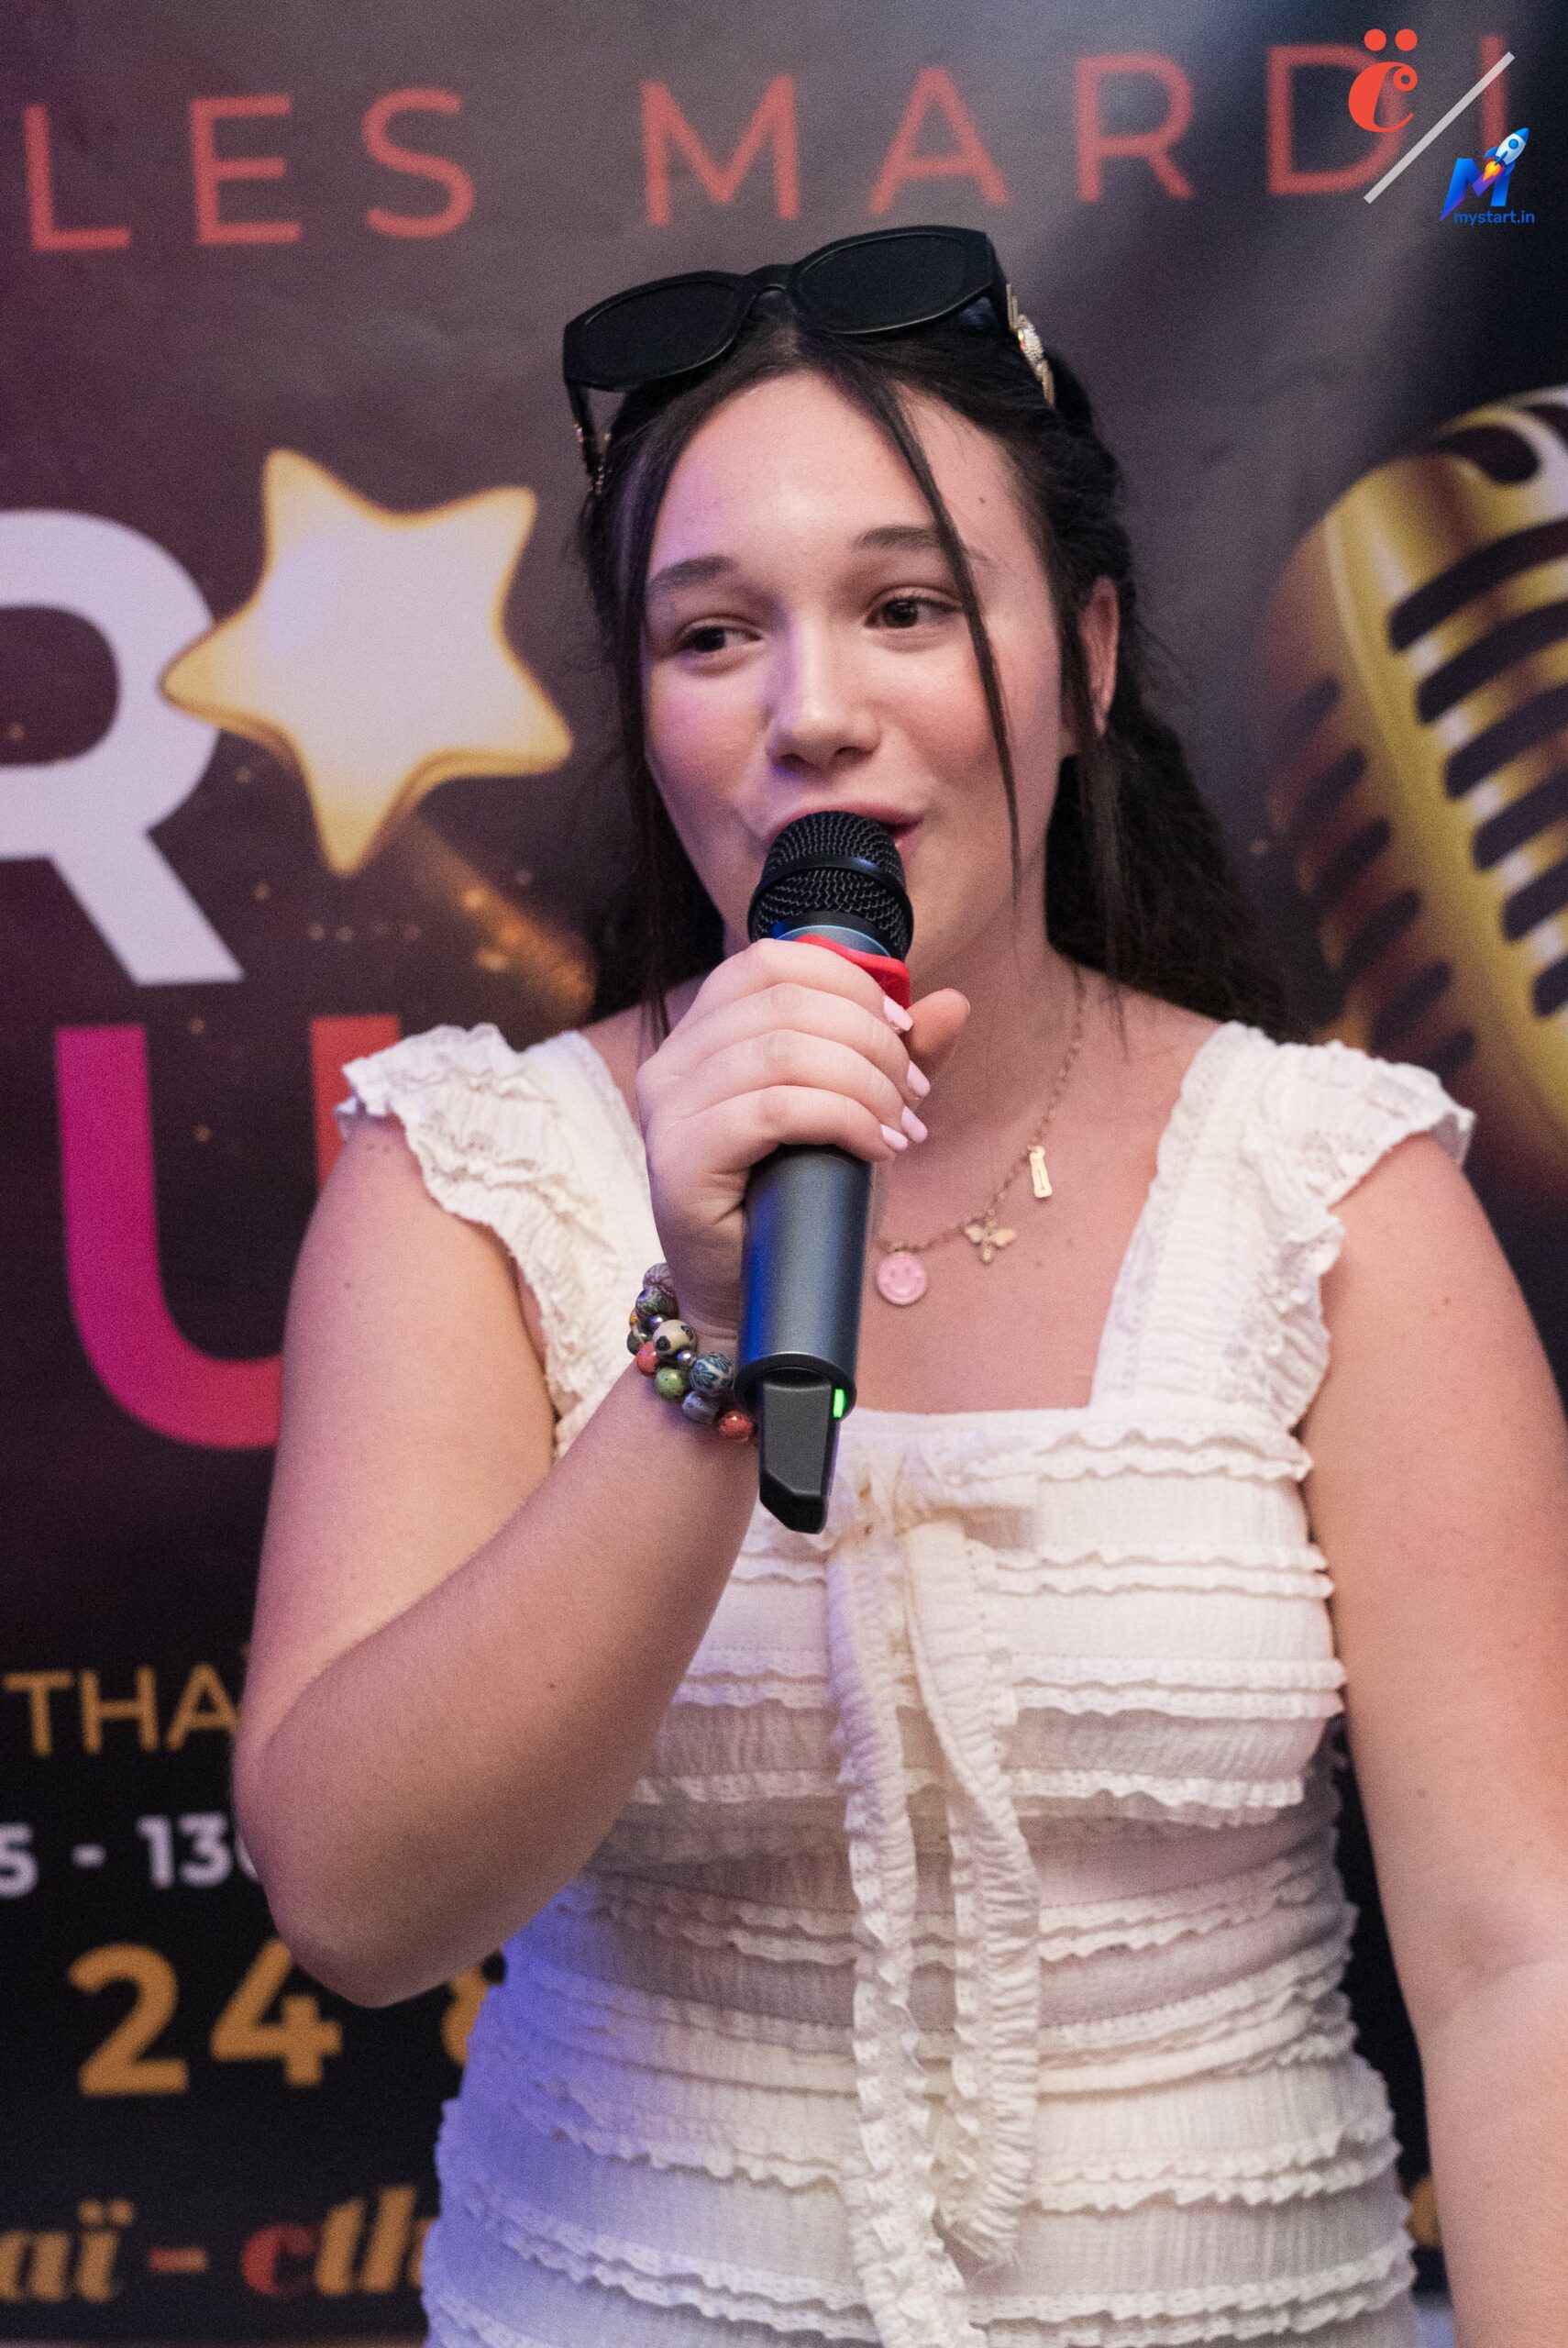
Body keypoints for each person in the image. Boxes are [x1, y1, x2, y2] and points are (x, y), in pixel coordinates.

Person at [234, 227, 1568, 2348]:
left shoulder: (1332, 1185)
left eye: (907, 607)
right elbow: (358, 1902)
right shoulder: (466, 1177)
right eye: (712, 633)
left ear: (1086, 657)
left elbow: (1522, 1956)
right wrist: (699, 1338)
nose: (815, 712)